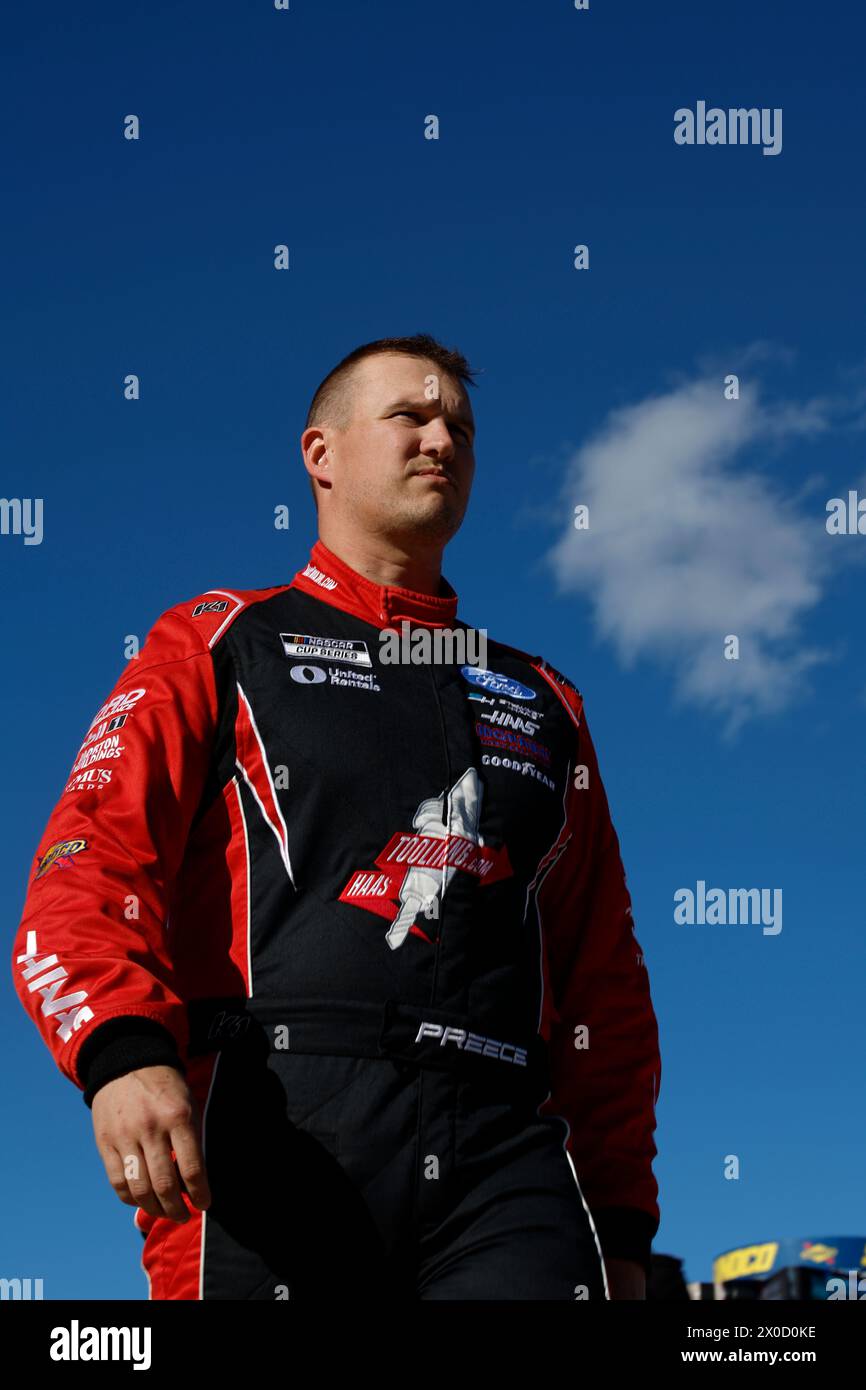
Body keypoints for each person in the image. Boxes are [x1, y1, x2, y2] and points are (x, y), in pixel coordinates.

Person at [12, 333, 661, 1301]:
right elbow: (88, 862)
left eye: (461, 428)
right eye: (410, 415)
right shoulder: (219, 640)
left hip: (505, 1162)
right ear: (320, 454)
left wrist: (617, 1220)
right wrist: (121, 1051)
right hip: (273, 1132)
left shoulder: (543, 701)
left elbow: (599, 978)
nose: (441, 439)